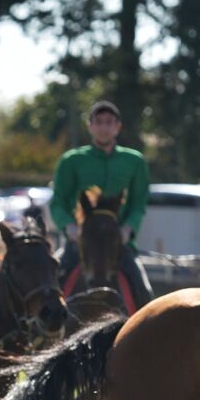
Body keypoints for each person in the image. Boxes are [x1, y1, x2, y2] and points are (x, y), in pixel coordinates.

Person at [48, 100, 153, 305]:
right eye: (99, 122)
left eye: (109, 122)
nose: (104, 127)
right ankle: (40, 335)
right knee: (48, 290)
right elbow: (58, 202)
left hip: (118, 244)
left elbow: (139, 203)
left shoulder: (135, 161)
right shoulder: (71, 161)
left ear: (118, 127)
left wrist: (128, 229)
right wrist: (68, 226)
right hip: (78, 242)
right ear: (90, 126)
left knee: (144, 293)